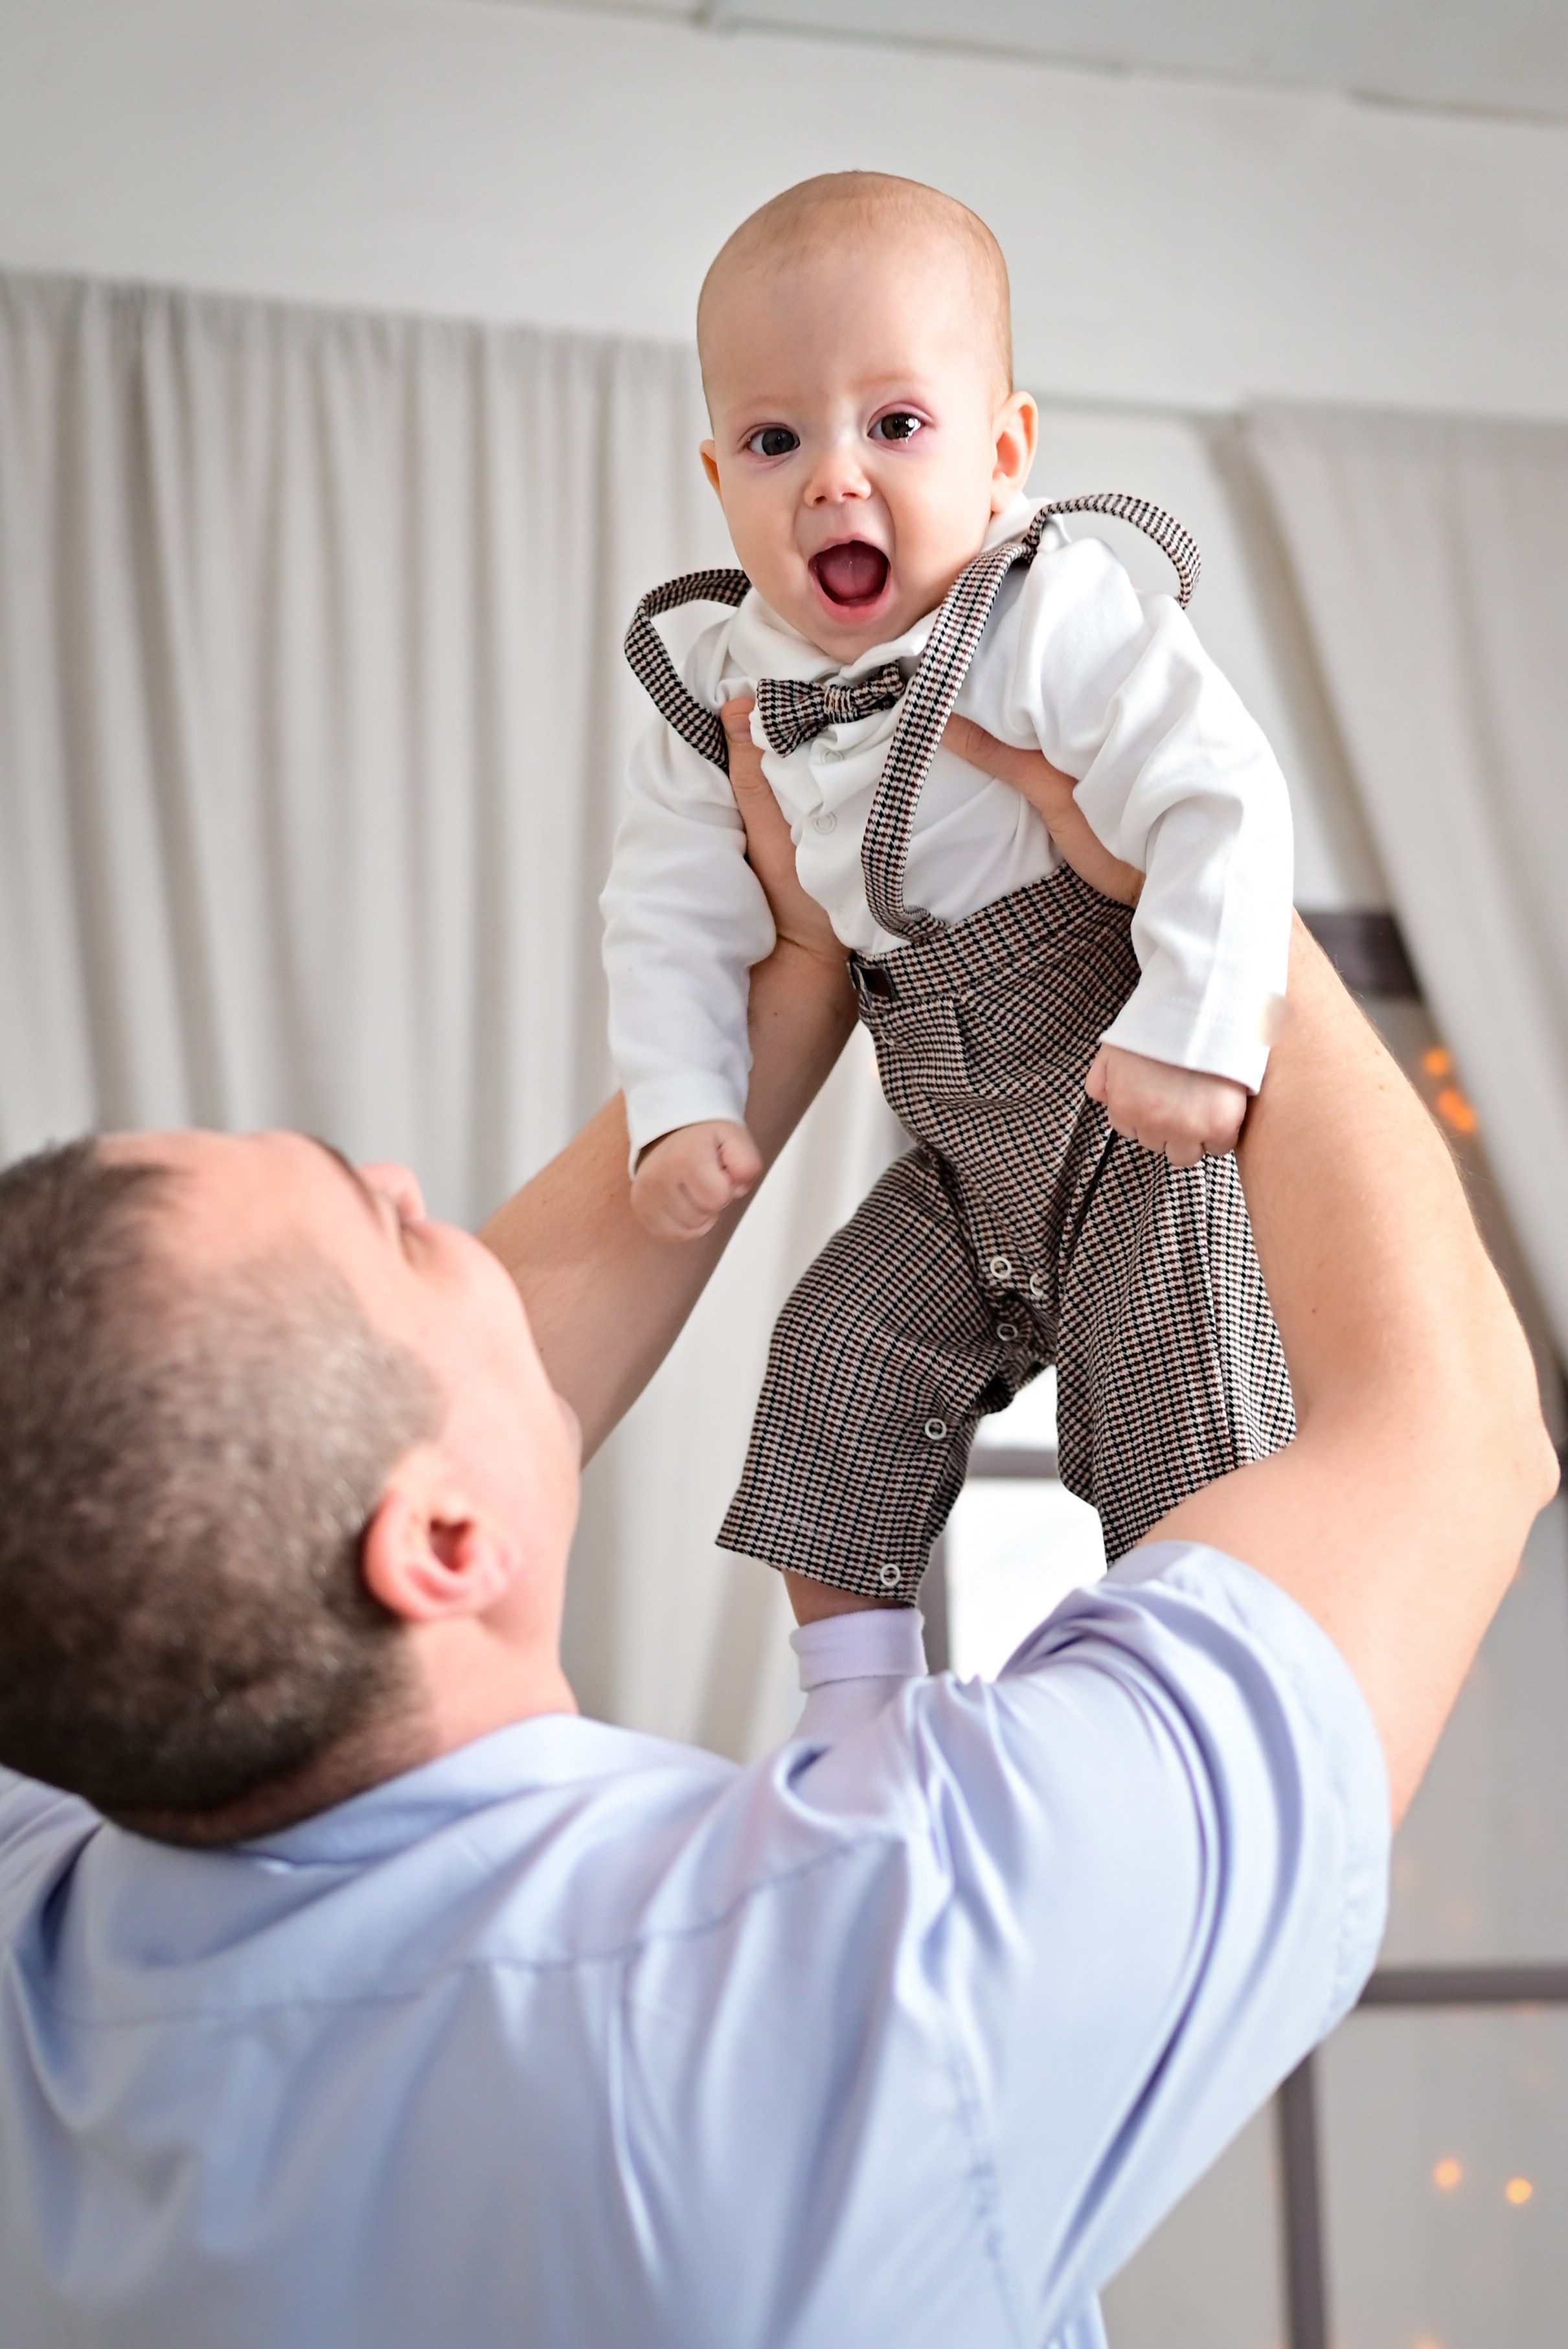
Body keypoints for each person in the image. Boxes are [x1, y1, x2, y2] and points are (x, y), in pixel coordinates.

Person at [0, 709, 1555, 2348]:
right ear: (440, 1549)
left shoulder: (50, 1906)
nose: (409, 1183)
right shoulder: (874, 1951)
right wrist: (1200, 853)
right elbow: (1449, 1439)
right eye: (388, 1233)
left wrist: (787, 979)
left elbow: (317, 1453)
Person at [602, 171, 1296, 1604]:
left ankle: (1198, 1699)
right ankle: (854, 1725)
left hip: (1119, 1105)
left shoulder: (1044, 605)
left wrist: (1193, 1028)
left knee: (1186, 1422)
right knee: (833, 1362)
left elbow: (1219, 793)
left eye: (895, 424)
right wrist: (681, 1099)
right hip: (952, 1139)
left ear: (1001, 452)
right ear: (715, 477)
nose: (832, 477)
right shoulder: (726, 675)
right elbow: (668, 902)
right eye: (773, 436)